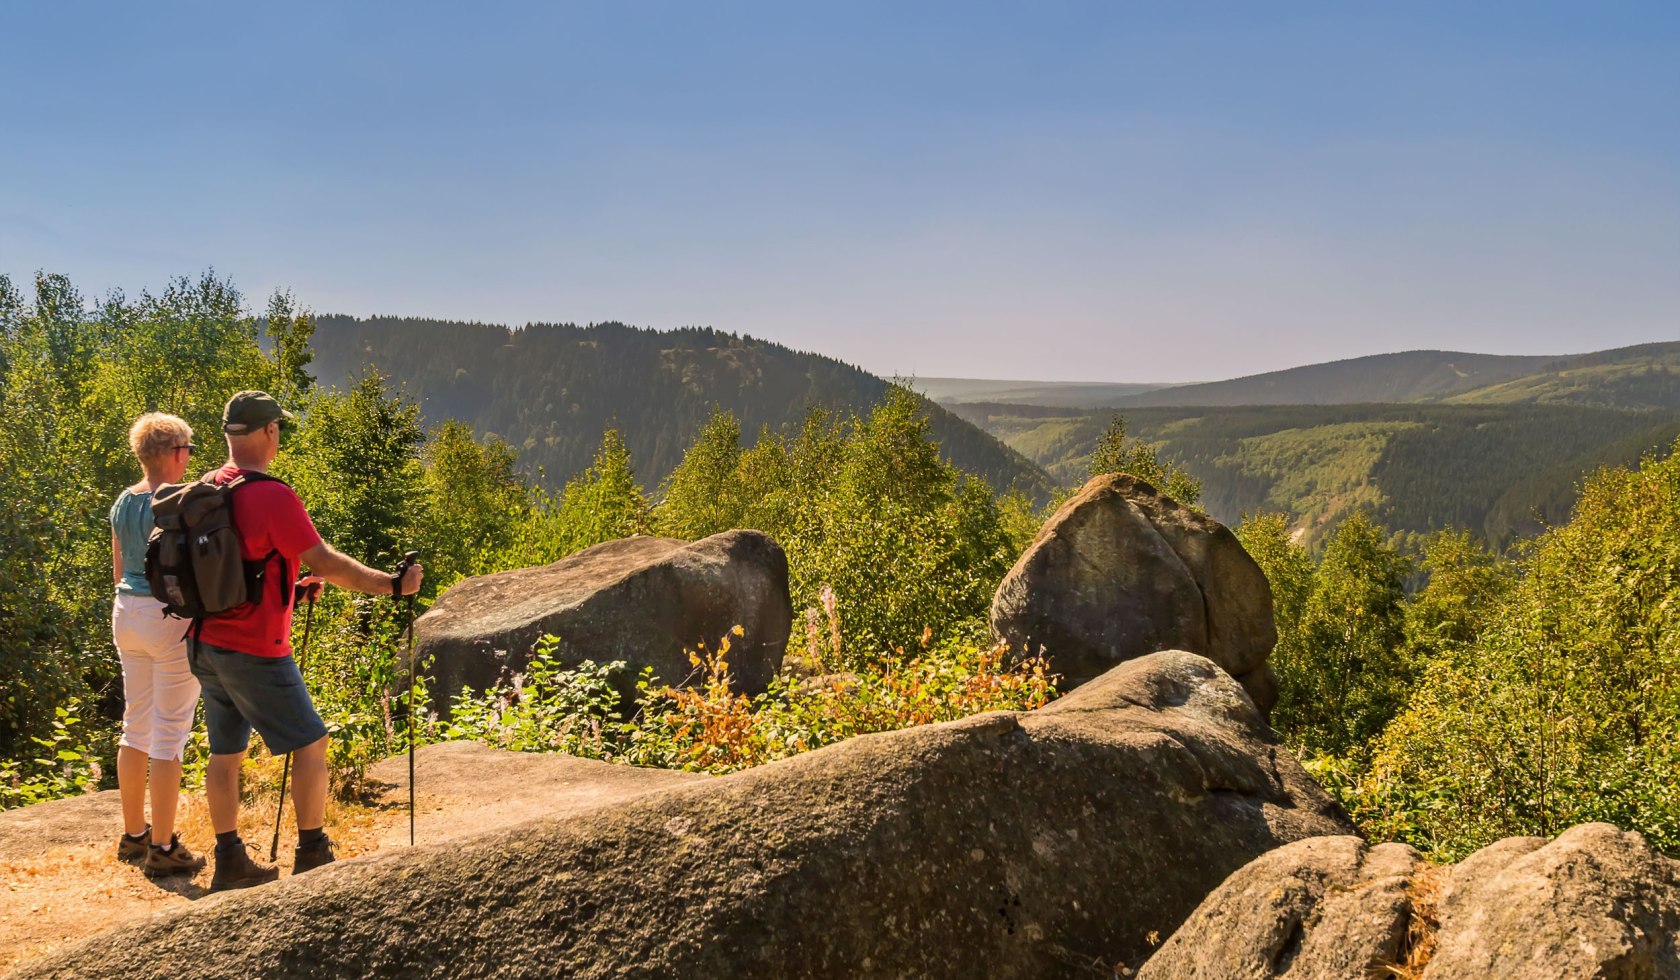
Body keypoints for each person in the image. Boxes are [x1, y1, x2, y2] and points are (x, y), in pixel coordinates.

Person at [189, 390, 422, 890]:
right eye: (279, 429)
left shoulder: (208, 487)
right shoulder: (271, 495)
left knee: (225, 754)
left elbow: (231, 568)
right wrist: (394, 585)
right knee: (312, 742)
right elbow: (329, 563)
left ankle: (229, 860)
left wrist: (287, 587)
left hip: (206, 643)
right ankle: (313, 852)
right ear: (270, 431)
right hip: (255, 648)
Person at [111, 412, 206, 876]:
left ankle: (134, 835)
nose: (189, 456)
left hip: (125, 613)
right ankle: (165, 849)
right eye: (187, 448)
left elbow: (119, 571)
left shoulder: (123, 501)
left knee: (136, 725)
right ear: (172, 453)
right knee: (170, 734)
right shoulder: (178, 501)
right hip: (166, 618)